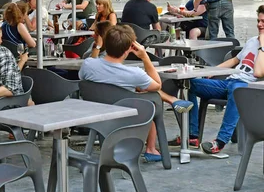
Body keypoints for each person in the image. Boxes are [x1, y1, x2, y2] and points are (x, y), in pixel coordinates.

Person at [79, 25, 193, 162]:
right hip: (128, 115)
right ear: (128, 49)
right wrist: (144, 56)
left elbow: (85, 76)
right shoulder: (135, 74)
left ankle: (171, 101)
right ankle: (151, 148)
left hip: (97, 113)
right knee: (152, 99)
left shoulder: (88, 65)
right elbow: (157, 85)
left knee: (140, 92)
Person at [187, 5, 264, 154]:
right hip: (229, 82)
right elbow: (235, 60)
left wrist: (263, 46)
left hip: (251, 89)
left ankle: (220, 141)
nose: (259, 24)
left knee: (237, 89)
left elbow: (259, 73)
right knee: (190, 83)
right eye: (258, 20)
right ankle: (192, 135)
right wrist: (213, 71)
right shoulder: (252, 41)